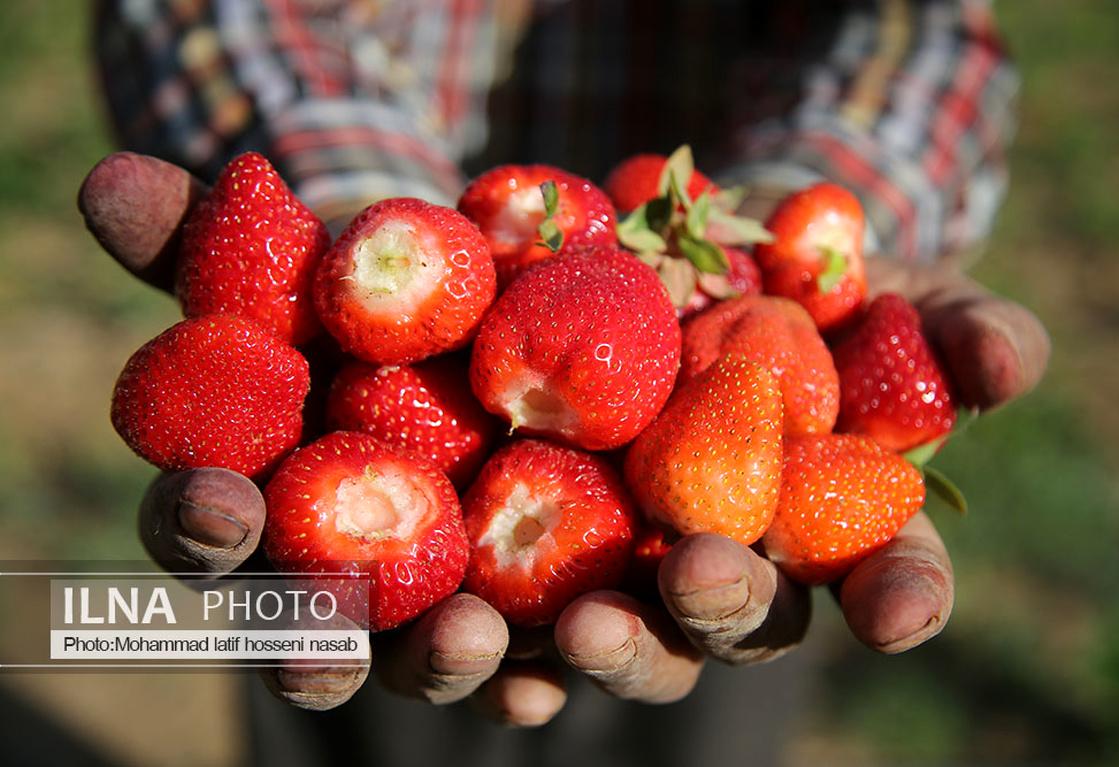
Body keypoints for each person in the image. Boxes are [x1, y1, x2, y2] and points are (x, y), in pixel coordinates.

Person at [81, 0, 1051, 760]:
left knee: (708, 631)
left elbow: (910, 34)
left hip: (694, 545)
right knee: (357, 694)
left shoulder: (730, 394)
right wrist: (349, 234)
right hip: (458, 460)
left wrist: (793, 206)